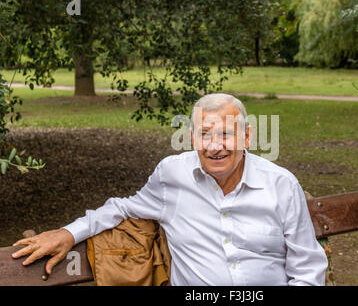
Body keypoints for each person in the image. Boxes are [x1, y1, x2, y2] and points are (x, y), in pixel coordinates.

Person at [11, 93, 328, 285]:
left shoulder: (281, 185)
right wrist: (69, 233)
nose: (215, 146)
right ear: (192, 138)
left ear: (247, 137)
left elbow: (308, 267)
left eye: (226, 135)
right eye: (204, 134)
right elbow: (122, 207)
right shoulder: (172, 176)